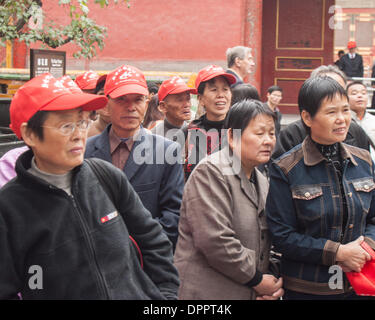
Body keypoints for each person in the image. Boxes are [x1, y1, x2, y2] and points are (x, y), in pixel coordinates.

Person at [0, 73, 179, 299]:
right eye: (66, 126)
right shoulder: (9, 209)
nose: (79, 135)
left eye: (83, 122)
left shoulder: (105, 177)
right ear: (30, 134)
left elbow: (154, 242)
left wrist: (165, 296)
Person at [266, 76, 375, 300]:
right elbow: (282, 236)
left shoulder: (364, 161)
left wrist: (364, 249)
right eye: (331, 112)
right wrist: (338, 253)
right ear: (307, 117)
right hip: (309, 289)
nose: (342, 119)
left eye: (345, 110)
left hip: (360, 285)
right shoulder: (286, 168)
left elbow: (373, 218)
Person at [175, 100, 283, 300]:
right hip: (207, 292)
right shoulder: (211, 171)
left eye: (271, 133)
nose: (268, 140)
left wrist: (270, 281)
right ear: (232, 137)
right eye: (259, 133)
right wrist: (257, 280)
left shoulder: (262, 179)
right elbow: (215, 240)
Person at [85, 65, 184, 250]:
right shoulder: (85, 152)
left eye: (138, 100)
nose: (130, 107)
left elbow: (173, 216)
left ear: (146, 104)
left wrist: (136, 248)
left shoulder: (167, 151)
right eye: (121, 99)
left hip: (147, 260)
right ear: (106, 104)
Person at [272, 65, 370, 159]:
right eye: (326, 87)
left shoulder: (356, 132)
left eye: (339, 89)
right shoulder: (292, 135)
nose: (334, 94)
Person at [184, 65, 236, 180]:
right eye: (214, 90)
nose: (221, 95)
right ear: (200, 99)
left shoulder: (239, 129)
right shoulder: (191, 131)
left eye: (225, 89)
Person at [151, 76, 195, 144]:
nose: (187, 104)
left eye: (188, 99)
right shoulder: (153, 137)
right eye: (179, 100)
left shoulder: (195, 133)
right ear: (163, 106)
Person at [347, 81, 375, 160]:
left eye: (363, 93)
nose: (360, 96)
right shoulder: (343, 121)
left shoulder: (373, 120)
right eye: (354, 93)